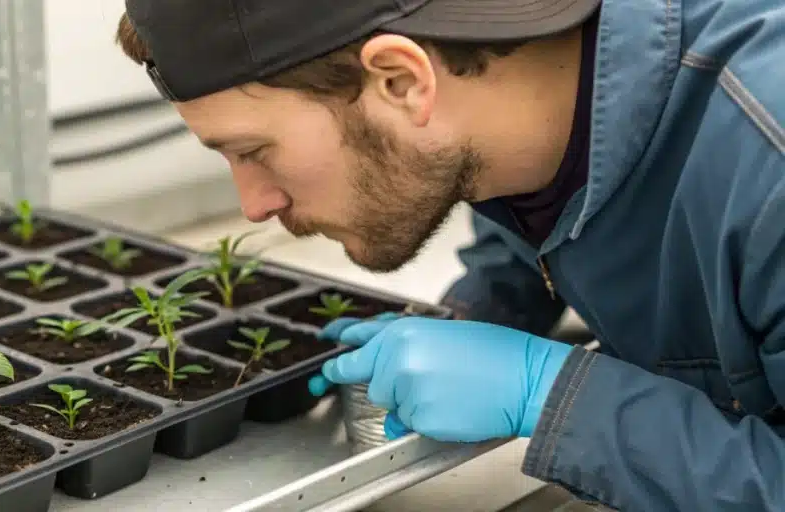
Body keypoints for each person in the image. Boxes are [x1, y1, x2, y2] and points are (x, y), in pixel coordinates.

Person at [116, 0, 785, 509]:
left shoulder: (768, 158)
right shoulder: (513, 108)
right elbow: (543, 209)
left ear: (403, 81)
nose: (253, 203)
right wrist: (483, 308)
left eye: (253, 151)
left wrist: (553, 396)